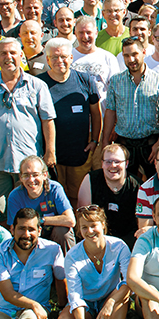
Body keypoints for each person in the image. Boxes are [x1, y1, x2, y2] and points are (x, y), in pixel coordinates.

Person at [0, 38, 57, 212]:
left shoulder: (37, 85)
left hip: (29, 162)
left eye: (12, 53)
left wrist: (50, 152)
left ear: (21, 56)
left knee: (30, 211)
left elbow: (48, 120)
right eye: (3, 53)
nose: (8, 57)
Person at [59, 205, 133, 319]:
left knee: (123, 299)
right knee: (63, 318)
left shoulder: (119, 246)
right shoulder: (72, 256)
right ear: (78, 230)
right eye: (84, 227)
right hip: (87, 302)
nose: (90, 230)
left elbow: (128, 280)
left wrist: (111, 302)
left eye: (94, 225)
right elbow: (75, 295)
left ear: (103, 226)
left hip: (111, 296)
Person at [39, 37, 102, 200]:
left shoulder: (86, 80)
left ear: (71, 57)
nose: (60, 61)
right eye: (55, 57)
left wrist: (94, 140)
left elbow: (96, 113)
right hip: (51, 155)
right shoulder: (39, 83)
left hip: (80, 153)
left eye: (64, 56)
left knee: (78, 195)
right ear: (47, 59)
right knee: (52, 196)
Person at [102, 38, 159, 183]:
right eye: (126, 55)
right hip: (124, 144)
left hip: (151, 144)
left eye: (135, 54)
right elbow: (111, 111)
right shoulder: (115, 81)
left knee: (155, 184)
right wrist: (105, 140)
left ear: (144, 52)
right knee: (125, 186)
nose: (131, 59)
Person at [4, 155, 78, 248]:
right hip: (30, 236)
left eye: (35, 175)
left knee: (63, 232)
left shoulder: (55, 189)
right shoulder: (15, 196)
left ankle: (67, 261)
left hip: (53, 233)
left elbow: (70, 220)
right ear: (20, 177)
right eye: (26, 175)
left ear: (44, 175)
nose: (31, 180)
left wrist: (40, 220)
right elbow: (14, 228)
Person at [76, 143, 141, 241]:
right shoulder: (90, 180)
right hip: (97, 238)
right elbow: (84, 218)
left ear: (126, 163)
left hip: (129, 239)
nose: (113, 165)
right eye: (108, 161)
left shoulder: (137, 186)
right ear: (102, 163)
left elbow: (141, 224)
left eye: (117, 161)